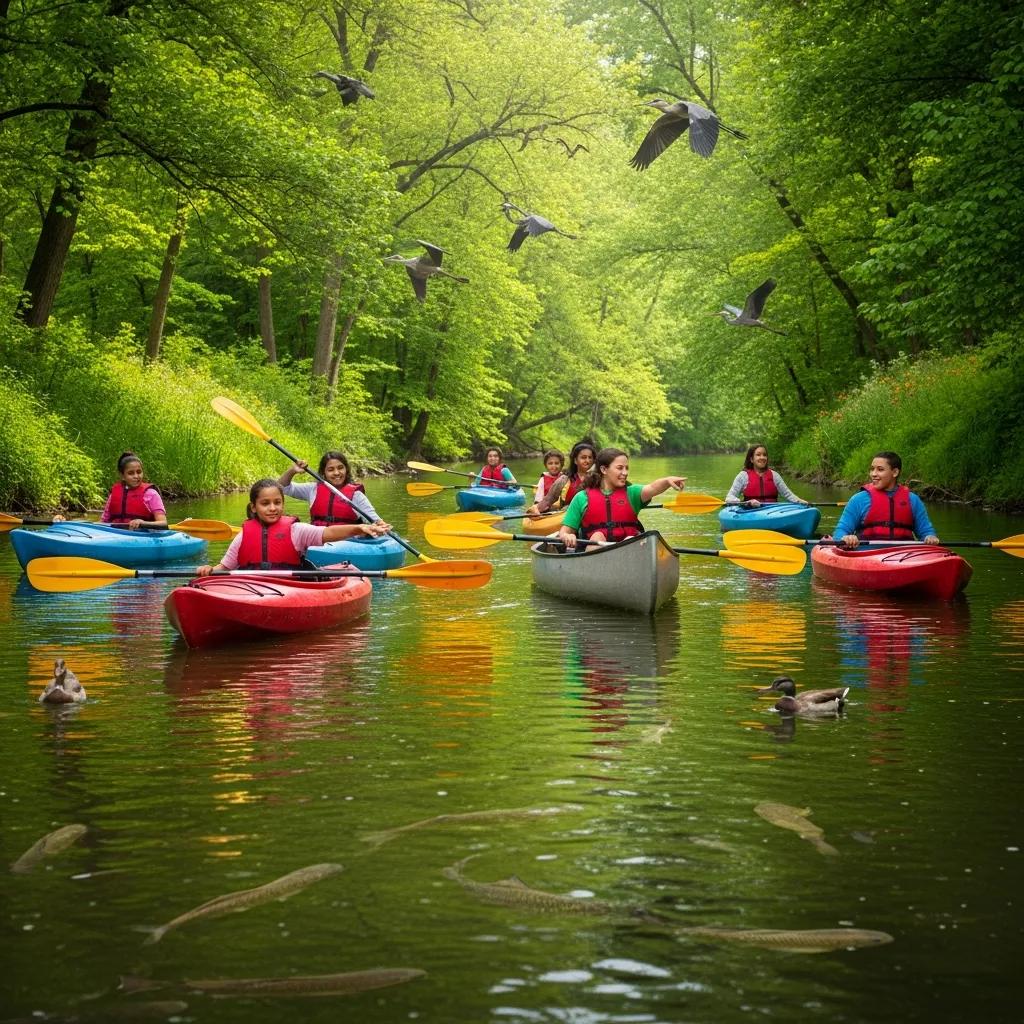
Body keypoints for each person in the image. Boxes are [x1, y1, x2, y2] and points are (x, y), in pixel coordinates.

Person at [197, 479, 389, 576]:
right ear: (254, 507)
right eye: (265, 503)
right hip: (252, 587)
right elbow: (225, 567)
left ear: (283, 504)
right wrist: (209, 570)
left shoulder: (296, 530)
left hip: (289, 588)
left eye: (277, 502)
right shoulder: (243, 535)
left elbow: (328, 533)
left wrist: (360, 528)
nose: (273, 508)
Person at [556, 447, 686, 549]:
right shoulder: (582, 497)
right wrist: (567, 536)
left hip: (628, 550)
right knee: (597, 536)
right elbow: (565, 531)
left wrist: (667, 480)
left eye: (626, 468)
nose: (625, 472)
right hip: (596, 553)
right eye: (619, 468)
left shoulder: (632, 493)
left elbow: (653, 487)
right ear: (604, 469)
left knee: (631, 539)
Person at [830, 451, 939, 549]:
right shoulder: (859, 499)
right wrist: (846, 537)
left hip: (904, 555)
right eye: (872, 469)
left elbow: (926, 531)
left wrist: (930, 537)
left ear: (895, 472)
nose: (873, 474)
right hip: (866, 555)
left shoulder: (913, 500)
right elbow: (840, 531)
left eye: (880, 469)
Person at [277, 452, 390, 531]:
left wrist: (381, 526)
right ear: (323, 473)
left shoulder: (356, 495)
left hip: (347, 544)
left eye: (340, 468)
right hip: (318, 541)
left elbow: (376, 521)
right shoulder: (313, 489)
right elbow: (282, 487)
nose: (336, 473)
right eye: (330, 469)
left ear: (346, 469)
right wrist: (292, 471)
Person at [83, 451, 168, 530]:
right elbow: (103, 522)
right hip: (116, 536)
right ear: (122, 476)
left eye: (139, 472)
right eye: (131, 473)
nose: (136, 476)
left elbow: (163, 523)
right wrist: (89, 526)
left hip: (144, 536)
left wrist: (142, 523)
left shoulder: (151, 494)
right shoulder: (114, 495)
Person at [725, 444, 809, 507]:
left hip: (772, 512)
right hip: (750, 512)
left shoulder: (774, 475)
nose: (762, 457)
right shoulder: (743, 476)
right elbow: (729, 498)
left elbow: (788, 495)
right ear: (751, 459)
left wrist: (800, 501)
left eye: (764, 455)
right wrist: (747, 503)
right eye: (758, 455)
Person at [534, 440, 597, 514]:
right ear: (575, 460)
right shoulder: (564, 479)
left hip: (591, 512)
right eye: (583, 458)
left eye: (590, 458)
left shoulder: (597, 479)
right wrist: (536, 509)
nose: (587, 460)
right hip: (568, 513)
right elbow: (548, 500)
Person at [526, 449, 565, 514]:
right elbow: (538, 499)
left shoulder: (565, 477)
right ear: (546, 465)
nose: (554, 466)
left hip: (562, 507)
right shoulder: (543, 479)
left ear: (561, 464)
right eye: (550, 463)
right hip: (547, 507)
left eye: (557, 463)